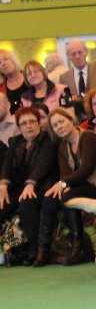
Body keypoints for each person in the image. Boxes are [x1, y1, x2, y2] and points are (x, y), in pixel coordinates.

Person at [46, 107, 96, 264]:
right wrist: (63, 184)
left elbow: (86, 169)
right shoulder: (63, 146)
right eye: (55, 125)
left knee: (66, 195)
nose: (59, 127)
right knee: (52, 198)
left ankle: (79, 247)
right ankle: (45, 250)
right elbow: (64, 174)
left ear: (72, 121)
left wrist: (64, 184)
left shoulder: (88, 137)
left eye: (62, 121)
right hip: (82, 186)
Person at [0, 106, 59, 264]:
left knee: (26, 204)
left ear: (39, 123)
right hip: (20, 187)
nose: (29, 125)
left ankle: (34, 251)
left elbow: (43, 165)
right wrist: (3, 184)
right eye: (24, 123)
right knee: (2, 204)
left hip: (43, 185)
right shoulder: (15, 142)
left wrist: (31, 183)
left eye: (32, 121)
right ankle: (11, 250)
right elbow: (6, 164)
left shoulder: (49, 140)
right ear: (19, 127)